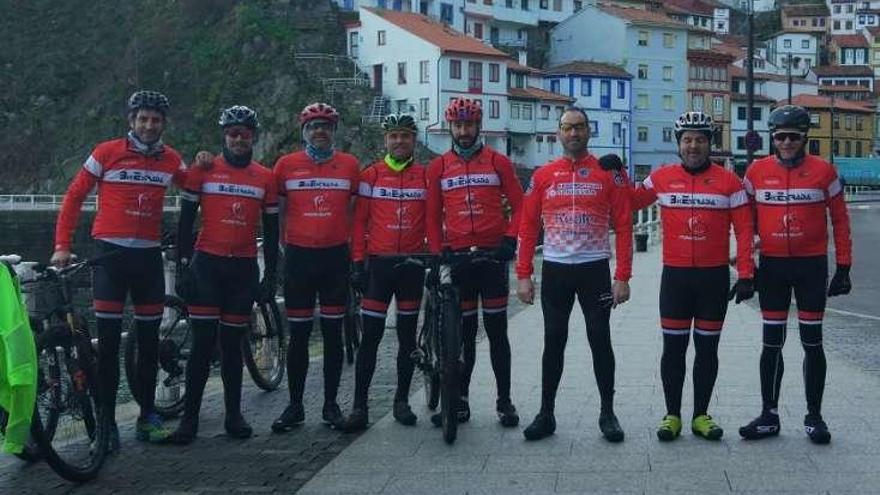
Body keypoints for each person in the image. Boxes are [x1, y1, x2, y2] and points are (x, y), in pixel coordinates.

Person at [52, 90, 189, 446]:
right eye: (142, 118)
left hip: (148, 261)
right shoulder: (106, 152)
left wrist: (206, 163)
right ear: (131, 121)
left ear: (163, 124)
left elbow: (196, 185)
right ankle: (107, 423)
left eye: (155, 120)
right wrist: (62, 246)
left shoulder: (171, 160)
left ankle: (147, 417)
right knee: (109, 348)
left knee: (148, 345)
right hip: (110, 258)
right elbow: (74, 195)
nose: (148, 125)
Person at [624, 111, 754, 441]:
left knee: (708, 349)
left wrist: (747, 273)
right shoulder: (661, 177)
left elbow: (744, 229)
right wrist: (613, 176)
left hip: (712, 279)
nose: (693, 145)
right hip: (676, 279)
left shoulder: (730, 182)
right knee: (674, 349)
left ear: (710, 143)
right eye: (687, 140)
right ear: (678, 144)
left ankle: (700, 415)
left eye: (699, 139)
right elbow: (630, 201)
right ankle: (672, 415)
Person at [516, 107, 632, 442]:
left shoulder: (605, 173)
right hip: (555, 268)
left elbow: (624, 225)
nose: (573, 133)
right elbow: (526, 225)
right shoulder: (543, 175)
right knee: (553, 340)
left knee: (600, 338)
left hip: (594, 267)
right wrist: (524, 274)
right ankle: (546, 412)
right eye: (567, 128)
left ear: (589, 132)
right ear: (558, 134)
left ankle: (608, 413)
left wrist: (623, 275)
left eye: (579, 127)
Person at [739, 105, 852, 444]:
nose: (786, 143)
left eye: (793, 137)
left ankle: (814, 415)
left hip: (811, 267)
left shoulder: (824, 172)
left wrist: (844, 266)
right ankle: (769, 414)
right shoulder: (756, 172)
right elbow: (745, 224)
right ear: (772, 139)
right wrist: (746, 269)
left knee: (812, 342)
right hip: (773, 267)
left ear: (805, 137)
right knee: (771, 343)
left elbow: (841, 220)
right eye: (780, 137)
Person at [167, 106, 279, 444]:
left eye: (245, 133)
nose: (239, 138)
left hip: (242, 269)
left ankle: (234, 415)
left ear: (253, 136)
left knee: (231, 345)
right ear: (224, 136)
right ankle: (189, 421)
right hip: (207, 266)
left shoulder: (265, 177)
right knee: (202, 344)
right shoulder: (203, 169)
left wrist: (270, 275)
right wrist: (183, 266)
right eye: (233, 133)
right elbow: (185, 223)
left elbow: (272, 232)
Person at [425, 97, 523, 428]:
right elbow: (431, 216)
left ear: (479, 126)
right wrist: (439, 250)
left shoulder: (498, 162)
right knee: (464, 336)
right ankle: (461, 401)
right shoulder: (438, 167)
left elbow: (521, 207)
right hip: (459, 259)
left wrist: (510, 240)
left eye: (469, 125)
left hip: (492, 258)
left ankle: (504, 400)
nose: (464, 131)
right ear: (450, 128)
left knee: (498, 333)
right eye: (458, 125)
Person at [271, 102, 360, 431]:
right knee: (299, 335)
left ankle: (330, 405)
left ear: (334, 131)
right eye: (313, 126)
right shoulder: (286, 166)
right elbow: (276, 212)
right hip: (299, 258)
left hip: (335, 257)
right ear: (303, 131)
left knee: (334, 334)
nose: (319, 131)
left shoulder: (350, 165)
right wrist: (284, 248)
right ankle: (295, 406)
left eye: (325, 126)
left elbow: (357, 210)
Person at [338, 114, 427, 432]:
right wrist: (358, 262)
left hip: (412, 267)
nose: (399, 141)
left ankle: (401, 401)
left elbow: (432, 219)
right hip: (379, 266)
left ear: (413, 140)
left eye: (405, 135)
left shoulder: (425, 176)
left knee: (406, 338)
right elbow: (359, 222)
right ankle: (359, 407)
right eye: (394, 136)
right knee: (371, 339)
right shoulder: (371, 175)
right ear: (385, 140)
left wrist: (432, 254)